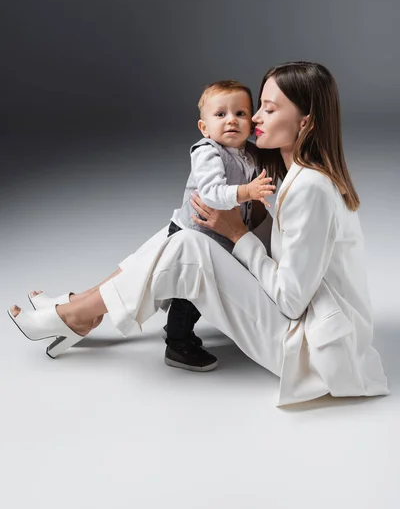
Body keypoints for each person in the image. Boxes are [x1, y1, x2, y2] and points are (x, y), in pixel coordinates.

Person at [8, 61, 389, 406]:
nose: (254, 117)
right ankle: (80, 308)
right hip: (316, 328)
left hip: (316, 351)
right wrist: (239, 225)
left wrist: (238, 235)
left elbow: (291, 301)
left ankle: (76, 315)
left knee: (188, 244)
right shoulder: (292, 177)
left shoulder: (312, 188)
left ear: (305, 122)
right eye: (259, 105)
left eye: (269, 110)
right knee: (181, 235)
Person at [162, 79, 275, 372]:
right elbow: (211, 193)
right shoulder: (207, 151)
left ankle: (179, 329)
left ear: (252, 121)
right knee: (191, 293)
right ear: (204, 127)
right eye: (220, 114)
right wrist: (247, 192)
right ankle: (177, 343)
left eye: (240, 113)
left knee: (202, 289)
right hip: (194, 233)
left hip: (218, 235)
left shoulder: (249, 152)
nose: (231, 121)